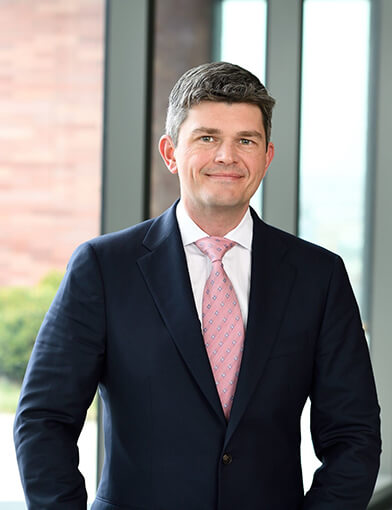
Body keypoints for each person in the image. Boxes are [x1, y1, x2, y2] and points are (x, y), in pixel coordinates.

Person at [14, 62, 381, 510]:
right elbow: (45, 420)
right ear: (170, 152)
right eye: (207, 138)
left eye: (245, 140)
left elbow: (353, 434)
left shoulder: (318, 276)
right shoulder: (103, 268)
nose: (227, 156)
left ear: (266, 157)